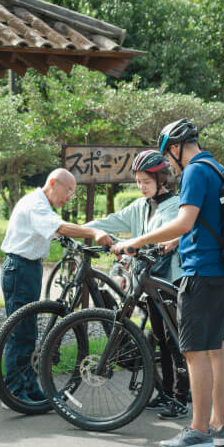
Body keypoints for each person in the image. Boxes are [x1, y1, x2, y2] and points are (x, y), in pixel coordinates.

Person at [112, 119, 224, 447]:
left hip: (201, 271)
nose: (170, 161)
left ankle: (198, 431)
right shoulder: (217, 167)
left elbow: (184, 221)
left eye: (169, 154)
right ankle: (218, 427)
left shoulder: (196, 170)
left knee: (194, 352)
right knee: (219, 349)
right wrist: (169, 243)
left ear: (177, 147)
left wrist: (136, 241)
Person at [84, 150, 190, 419]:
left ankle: (181, 398)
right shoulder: (140, 206)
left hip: (170, 279)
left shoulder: (175, 205)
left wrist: (136, 245)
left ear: (161, 179)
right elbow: (111, 221)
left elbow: (167, 235)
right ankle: (166, 392)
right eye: (138, 181)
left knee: (174, 339)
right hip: (149, 282)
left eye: (146, 181)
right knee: (159, 339)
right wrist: (82, 230)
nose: (141, 186)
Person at [0, 168, 112, 403]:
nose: (69, 197)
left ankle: (29, 387)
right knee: (21, 333)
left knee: (28, 331)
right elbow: (59, 227)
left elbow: (57, 232)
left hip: (27, 268)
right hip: (20, 268)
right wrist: (93, 232)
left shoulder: (40, 204)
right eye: (68, 190)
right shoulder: (36, 204)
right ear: (53, 183)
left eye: (73, 193)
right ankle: (14, 392)